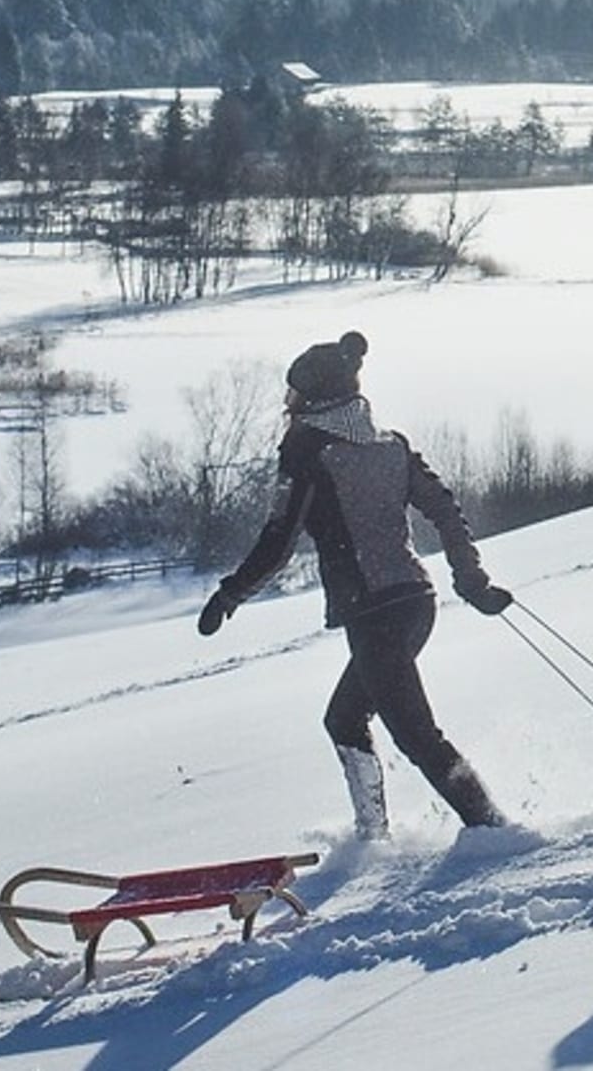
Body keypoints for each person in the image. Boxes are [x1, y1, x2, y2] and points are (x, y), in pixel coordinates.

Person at [199, 331, 518, 836]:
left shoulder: (307, 450)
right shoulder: (391, 445)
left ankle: (494, 830)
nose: (289, 404)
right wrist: (470, 579)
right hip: (415, 602)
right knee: (345, 719)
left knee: (416, 736)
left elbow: (279, 539)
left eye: (294, 395)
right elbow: (445, 509)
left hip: (375, 612)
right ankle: (373, 837)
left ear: (313, 398)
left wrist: (230, 593)